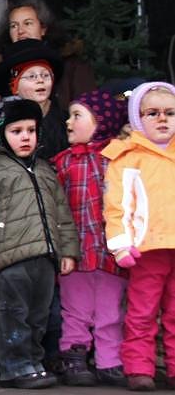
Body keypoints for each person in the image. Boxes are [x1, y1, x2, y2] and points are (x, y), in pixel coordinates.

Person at [0, 96, 80, 390]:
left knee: (39, 316)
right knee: (13, 314)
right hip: (9, 260)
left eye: (31, 130)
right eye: (16, 131)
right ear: (0, 133)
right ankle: (15, 366)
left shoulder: (45, 170)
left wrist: (67, 251)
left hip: (44, 256)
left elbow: (62, 213)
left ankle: (33, 363)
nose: (25, 137)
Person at [51, 89, 128, 387]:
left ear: (101, 121)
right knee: (75, 309)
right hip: (76, 252)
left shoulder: (119, 159)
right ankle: (74, 357)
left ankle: (110, 360)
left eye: (77, 116)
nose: (68, 122)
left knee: (111, 310)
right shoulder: (63, 162)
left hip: (111, 252)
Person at [102, 82, 175, 391]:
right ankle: (139, 367)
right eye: (152, 113)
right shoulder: (127, 157)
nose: (162, 119)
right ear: (137, 118)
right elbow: (116, 206)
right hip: (147, 249)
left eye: (170, 112)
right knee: (142, 312)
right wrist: (120, 245)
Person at [0, 0, 96, 106]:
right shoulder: (1, 71)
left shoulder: (71, 66)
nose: (20, 31)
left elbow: (87, 108)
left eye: (28, 23)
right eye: (14, 26)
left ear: (43, 29)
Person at [0, 38, 69, 161]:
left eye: (45, 75)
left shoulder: (67, 121)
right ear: (14, 86)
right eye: (31, 76)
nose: (40, 80)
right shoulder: (1, 122)